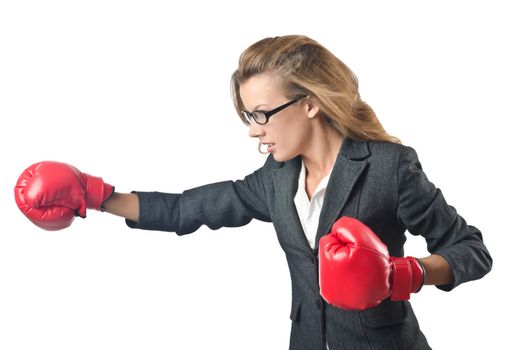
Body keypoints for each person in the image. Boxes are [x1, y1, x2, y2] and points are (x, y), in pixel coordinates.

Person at [14, 35, 492, 350]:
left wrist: (403, 275)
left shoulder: (388, 167)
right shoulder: (276, 178)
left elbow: (471, 249)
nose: (253, 129)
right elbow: (188, 208)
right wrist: (96, 195)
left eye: (261, 113)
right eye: (249, 116)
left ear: (309, 104)